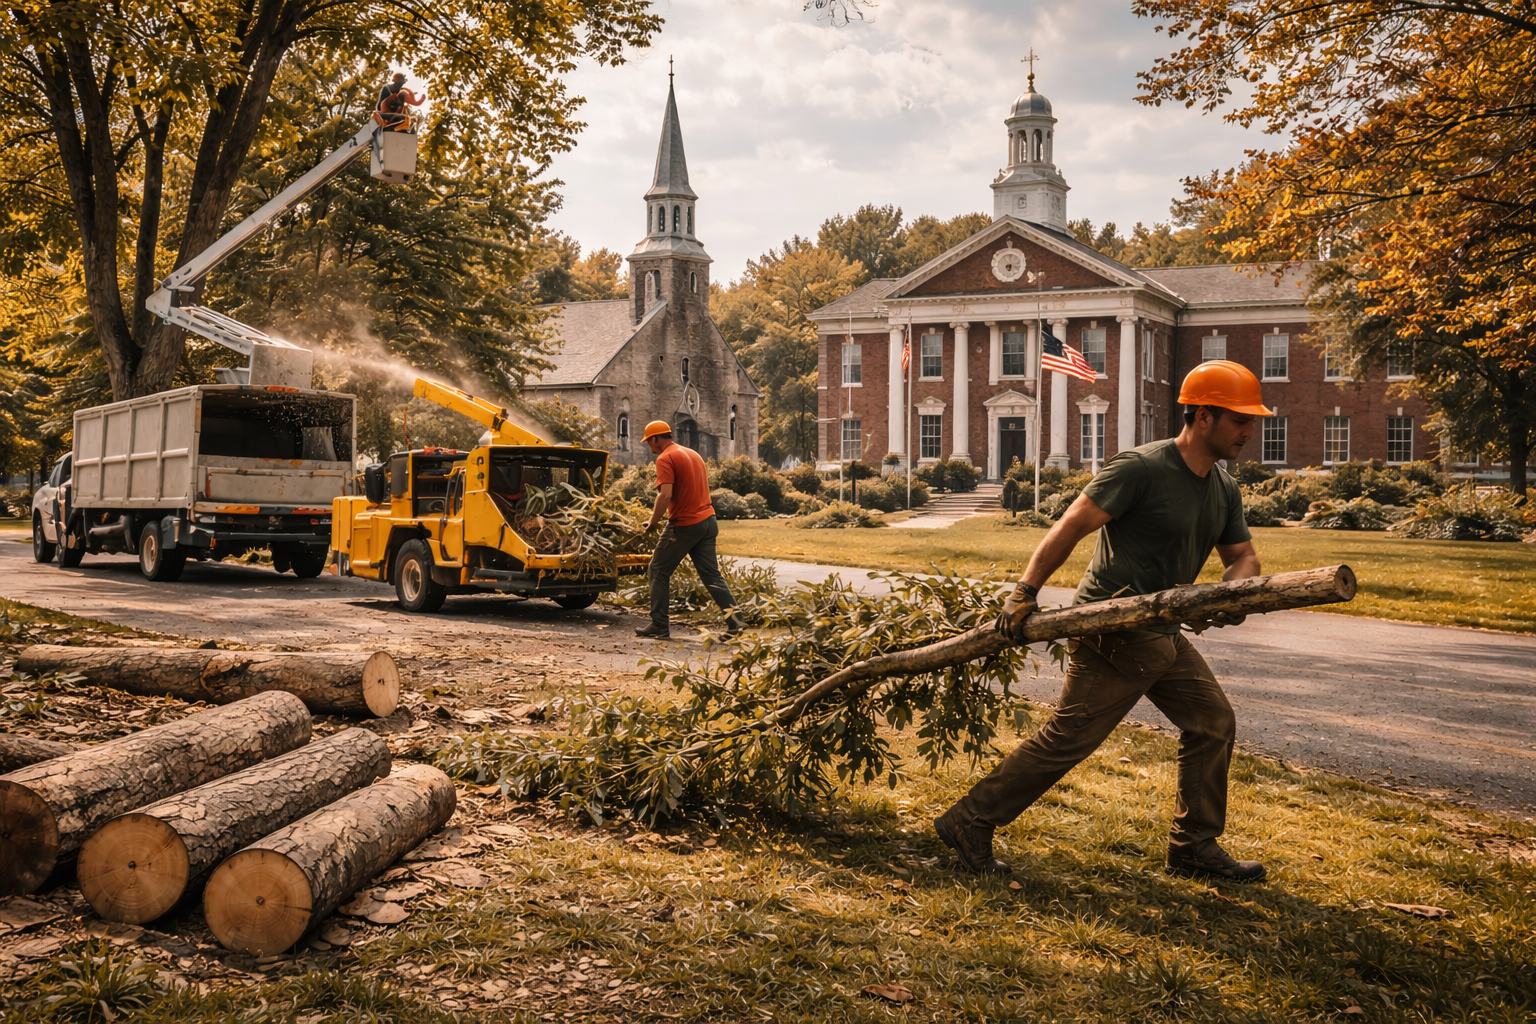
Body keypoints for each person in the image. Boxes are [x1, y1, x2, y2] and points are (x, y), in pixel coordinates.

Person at [935, 360, 1273, 883]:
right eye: (1240, 421)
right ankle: (969, 821)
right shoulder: (1140, 468)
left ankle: (1193, 846)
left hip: (1161, 630)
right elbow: (1070, 525)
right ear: (1203, 416)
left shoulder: (1222, 488)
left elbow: (1242, 555)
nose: (1250, 433)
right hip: (1111, 628)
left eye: (1251, 423)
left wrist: (1233, 594)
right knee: (1068, 738)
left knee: (1212, 723)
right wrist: (1024, 593)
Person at [636, 421, 746, 640]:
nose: (649, 446)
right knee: (711, 575)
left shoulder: (665, 458)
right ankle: (736, 625)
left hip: (685, 524)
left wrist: (653, 522)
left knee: (658, 570)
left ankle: (659, 626)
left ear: (656, 438)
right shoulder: (692, 454)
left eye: (649, 441)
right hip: (708, 521)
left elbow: (665, 495)